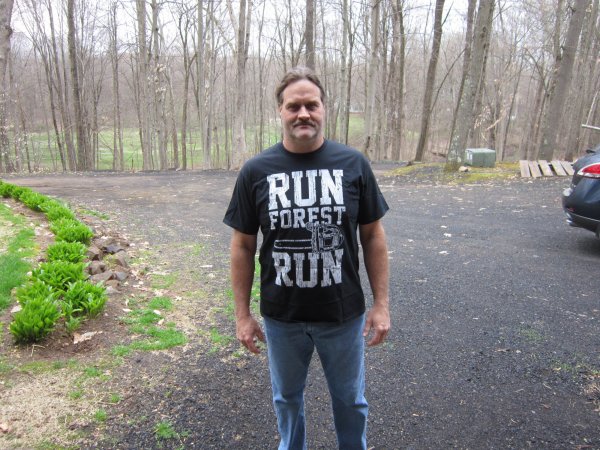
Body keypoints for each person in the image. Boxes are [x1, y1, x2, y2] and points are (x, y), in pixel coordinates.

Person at [223, 66, 390, 450]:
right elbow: (242, 245)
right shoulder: (256, 171)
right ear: (280, 111)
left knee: (351, 401)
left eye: (311, 105)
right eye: (293, 106)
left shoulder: (353, 165)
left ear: (324, 108)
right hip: (282, 317)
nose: (303, 114)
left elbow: (373, 237)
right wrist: (242, 315)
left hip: (343, 315)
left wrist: (381, 304)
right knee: (286, 401)